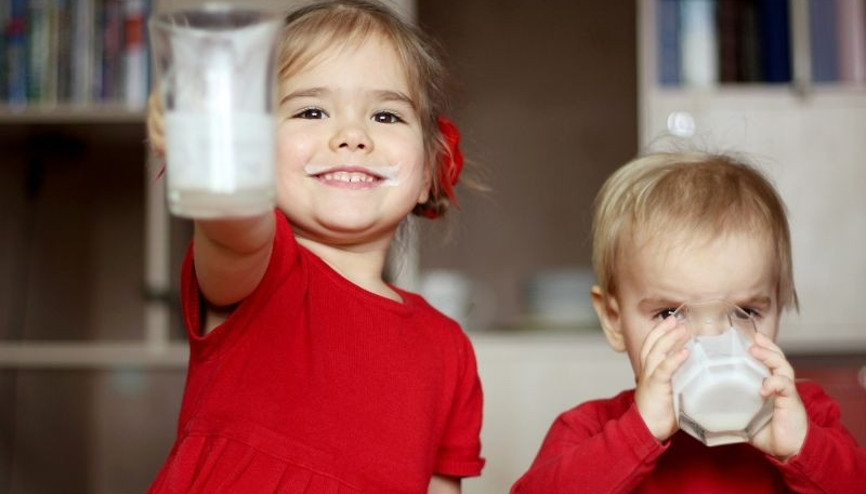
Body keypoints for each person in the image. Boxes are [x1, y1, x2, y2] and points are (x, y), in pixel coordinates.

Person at [145, 1, 484, 492]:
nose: (352, 136)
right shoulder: (261, 271)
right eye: (311, 110)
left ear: (431, 171)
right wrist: (212, 151)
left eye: (386, 116)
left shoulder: (449, 348)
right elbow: (232, 224)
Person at [511, 151, 866, 493]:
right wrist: (637, 435)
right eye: (669, 313)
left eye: (747, 312)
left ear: (780, 305)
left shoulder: (808, 418)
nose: (713, 340)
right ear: (614, 320)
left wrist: (803, 449)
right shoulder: (589, 429)